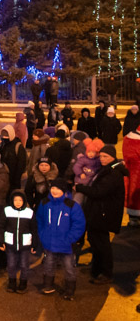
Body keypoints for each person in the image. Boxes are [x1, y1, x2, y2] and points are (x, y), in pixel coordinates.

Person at [76, 145, 126, 284]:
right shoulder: (107, 169)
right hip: (97, 212)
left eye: (106, 157)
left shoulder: (113, 174)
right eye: (102, 156)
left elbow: (99, 192)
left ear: (113, 157)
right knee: (94, 240)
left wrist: (80, 187)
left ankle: (106, 272)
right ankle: (96, 268)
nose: (103, 159)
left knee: (102, 243)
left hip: (104, 214)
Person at [37, 180, 86, 299]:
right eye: (53, 188)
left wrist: (70, 238)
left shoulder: (72, 205)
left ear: (64, 191)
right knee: (49, 264)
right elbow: (39, 220)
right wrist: (42, 235)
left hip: (66, 244)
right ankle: (48, 285)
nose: (54, 191)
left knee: (69, 267)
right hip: (49, 242)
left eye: (58, 189)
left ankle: (70, 290)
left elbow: (79, 224)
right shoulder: (44, 203)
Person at [0, 190, 37, 294]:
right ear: (12, 201)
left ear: (24, 201)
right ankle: (12, 282)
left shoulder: (29, 212)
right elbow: (1, 227)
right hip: (10, 243)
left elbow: (34, 229)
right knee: (11, 264)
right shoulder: (7, 211)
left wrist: (35, 244)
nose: (18, 202)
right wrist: (0, 241)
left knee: (24, 265)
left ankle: (23, 283)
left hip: (25, 245)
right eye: (15, 200)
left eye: (20, 200)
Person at [0, 125, 27, 192]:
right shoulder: (3, 144)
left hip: (14, 178)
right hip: (4, 176)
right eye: (3, 136)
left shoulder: (18, 146)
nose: (4, 138)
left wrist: (17, 178)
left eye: (6, 136)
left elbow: (21, 163)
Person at [124, 123, 140, 226]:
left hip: (133, 173)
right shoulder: (133, 140)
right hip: (136, 174)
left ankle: (134, 219)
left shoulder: (129, 139)